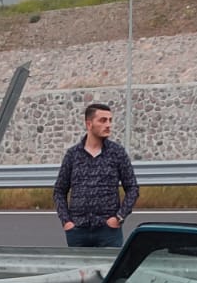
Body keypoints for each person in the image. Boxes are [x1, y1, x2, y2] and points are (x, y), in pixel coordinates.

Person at [53, 102, 138, 248]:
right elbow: (59, 191)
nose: (108, 125)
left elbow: (132, 188)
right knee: (79, 270)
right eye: (103, 120)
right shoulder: (73, 155)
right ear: (89, 124)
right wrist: (66, 222)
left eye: (110, 120)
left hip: (108, 231)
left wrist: (119, 217)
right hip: (78, 231)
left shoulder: (117, 153)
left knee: (110, 270)